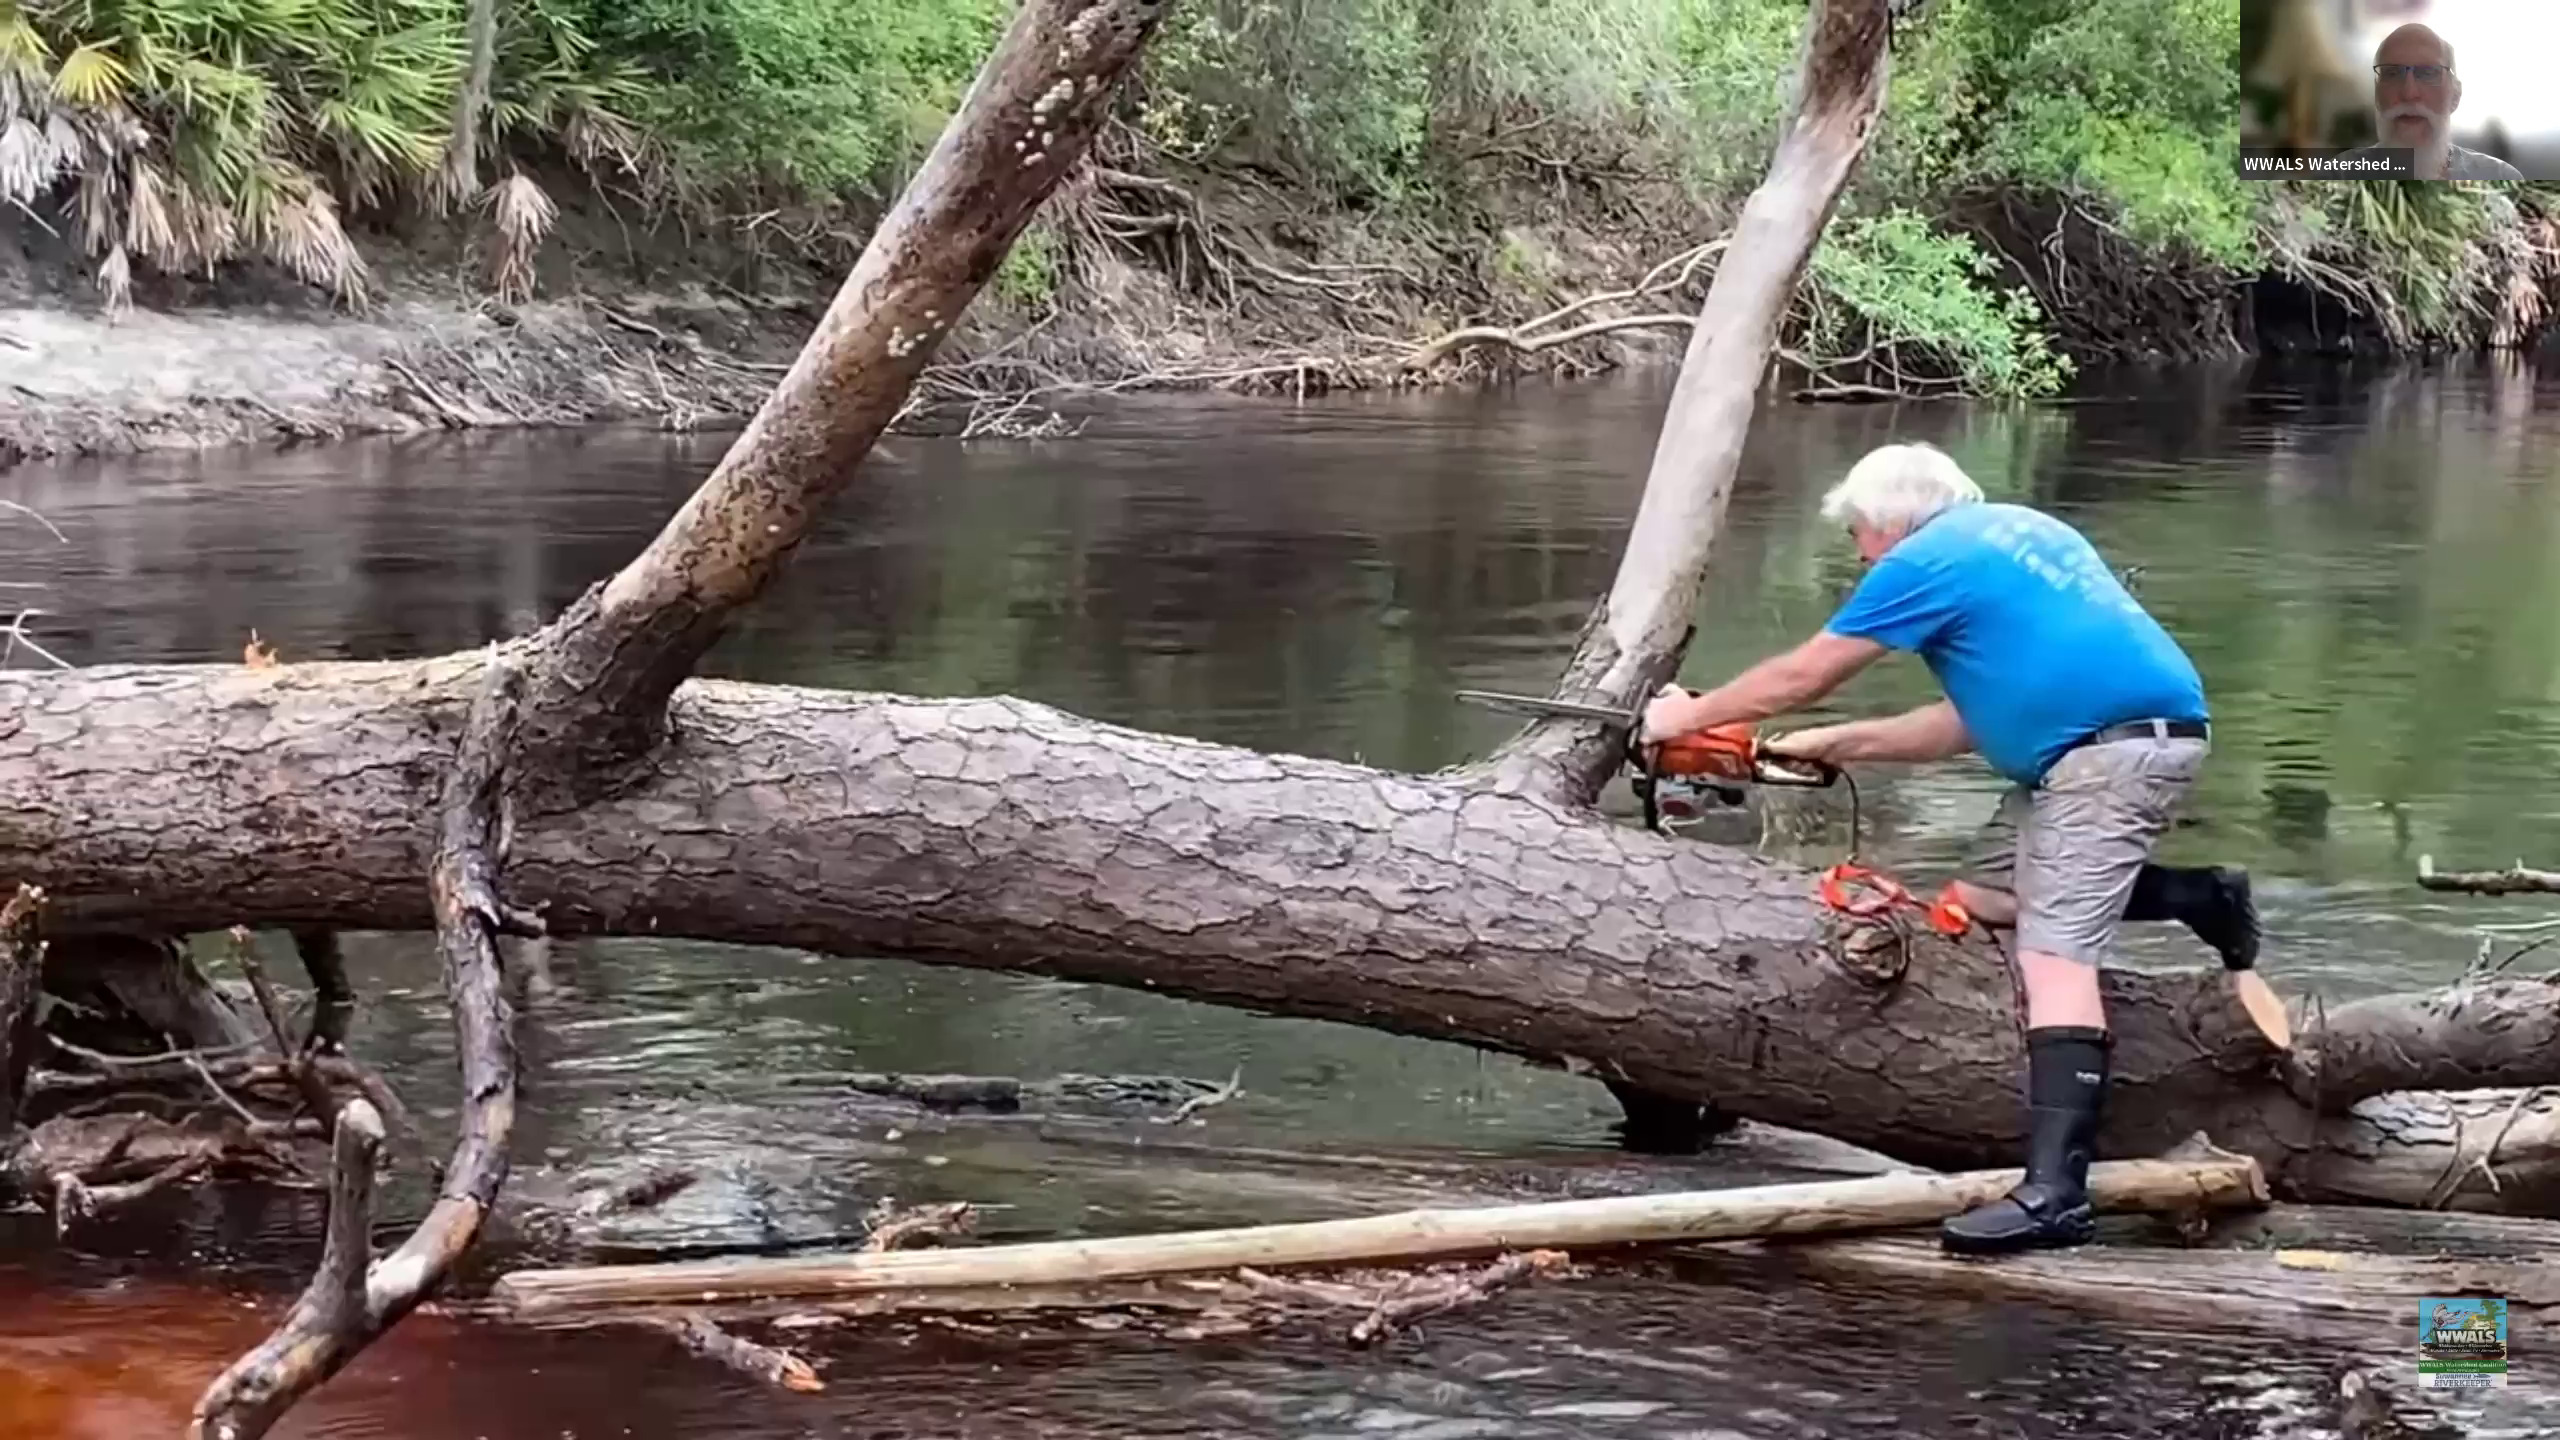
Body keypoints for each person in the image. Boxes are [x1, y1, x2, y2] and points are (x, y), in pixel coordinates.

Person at [1637, 442, 2258, 1256]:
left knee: (2056, 962)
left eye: (1859, 534)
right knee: (1988, 899)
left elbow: (1804, 673)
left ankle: (2056, 1198)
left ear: (1891, 523)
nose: (1859, 554)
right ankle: (2197, 896)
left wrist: (1683, 718)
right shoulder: (2018, 534)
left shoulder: (1924, 557)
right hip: (2105, 744)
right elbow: (1976, 720)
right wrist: (1838, 743)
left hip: (2107, 756)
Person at [2341, 23, 2523, 180]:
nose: (2409, 93)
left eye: (2427, 73)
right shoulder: (2336, 177)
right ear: (2377, 94)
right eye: (2392, 73)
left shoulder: (2501, 179)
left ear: (2455, 97)